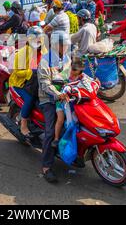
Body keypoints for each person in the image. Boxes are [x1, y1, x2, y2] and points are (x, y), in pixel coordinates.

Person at [38, 32, 72, 183]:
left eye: (66, 44)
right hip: (48, 99)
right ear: (55, 45)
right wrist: (57, 94)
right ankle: (46, 166)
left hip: (64, 96)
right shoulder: (45, 61)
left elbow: (73, 75)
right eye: (63, 44)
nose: (65, 47)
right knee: (50, 131)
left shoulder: (66, 58)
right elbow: (44, 83)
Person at [9, 26, 45, 138]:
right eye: (35, 38)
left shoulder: (44, 51)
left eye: (39, 38)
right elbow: (17, 72)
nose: (38, 40)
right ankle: (23, 124)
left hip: (38, 82)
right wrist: (31, 72)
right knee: (30, 99)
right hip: (20, 83)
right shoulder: (22, 53)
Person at [52, 58, 89, 149]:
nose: (73, 73)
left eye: (77, 71)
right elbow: (56, 86)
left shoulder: (81, 76)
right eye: (73, 70)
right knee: (60, 118)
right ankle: (56, 139)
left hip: (75, 101)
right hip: (61, 101)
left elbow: (88, 81)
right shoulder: (64, 75)